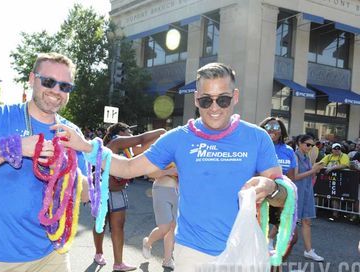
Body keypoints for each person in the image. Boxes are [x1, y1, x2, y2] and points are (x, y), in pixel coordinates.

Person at [56, 62, 288, 271]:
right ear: (196, 99)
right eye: (206, 100)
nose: (214, 107)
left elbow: (283, 195)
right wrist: (88, 148)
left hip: (242, 249)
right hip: (192, 254)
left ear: (235, 96)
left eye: (223, 99)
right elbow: (128, 168)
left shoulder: (257, 138)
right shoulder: (179, 138)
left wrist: (271, 187)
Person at [0, 52, 88, 272]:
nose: (56, 91)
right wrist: (12, 148)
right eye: (48, 82)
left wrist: (66, 169)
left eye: (65, 86)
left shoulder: (71, 133)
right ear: (31, 79)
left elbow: (85, 195)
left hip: (53, 255)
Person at [92, 122, 165, 272]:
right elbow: (142, 138)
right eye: (128, 131)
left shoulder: (128, 149)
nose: (131, 134)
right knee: (101, 224)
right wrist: (163, 130)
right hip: (103, 191)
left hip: (118, 192)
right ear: (120, 133)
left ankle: (118, 263)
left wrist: (164, 140)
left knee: (118, 227)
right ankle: (98, 252)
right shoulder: (116, 143)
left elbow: (145, 149)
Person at [259, 117, 297, 268]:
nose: (272, 130)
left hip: (282, 199)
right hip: (261, 199)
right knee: (257, 236)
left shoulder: (288, 151)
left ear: (281, 132)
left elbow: (292, 178)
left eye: (276, 128)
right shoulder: (258, 146)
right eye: (268, 127)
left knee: (291, 237)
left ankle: (275, 264)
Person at [294, 134, 324, 262]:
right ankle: (270, 240)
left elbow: (308, 175)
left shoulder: (306, 156)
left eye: (312, 145)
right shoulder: (294, 156)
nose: (310, 147)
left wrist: (315, 171)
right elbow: (295, 177)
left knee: (307, 221)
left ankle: (309, 251)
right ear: (299, 143)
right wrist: (313, 171)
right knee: (288, 221)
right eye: (308, 144)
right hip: (296, 192)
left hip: (306, 191)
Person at [142, 163, 178, 270]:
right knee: (164, 228)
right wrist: (169, 172)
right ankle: (148, 243)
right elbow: (150, 173)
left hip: (179, 191)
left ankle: (167, 260)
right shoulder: (165, 150)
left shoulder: (188, 151)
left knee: (173, 227)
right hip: (161, 189)